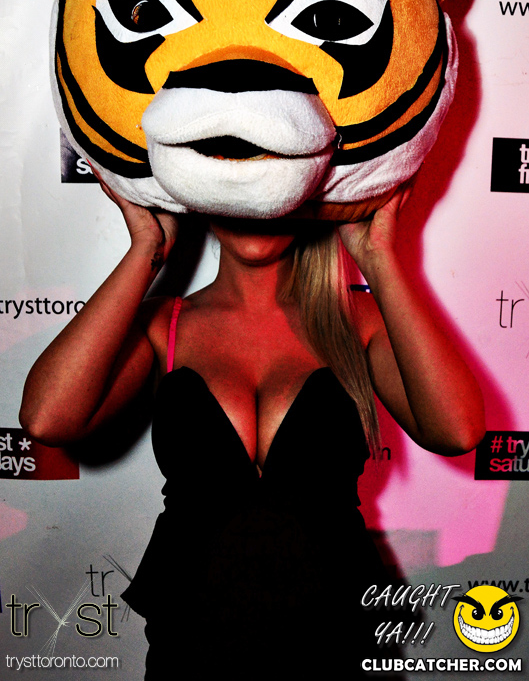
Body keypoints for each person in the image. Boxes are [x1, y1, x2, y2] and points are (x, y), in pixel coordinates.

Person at [19, 179, 485, 679]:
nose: (259, 210)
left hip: (337, 637)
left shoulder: (358, 320)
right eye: (239, 185)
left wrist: (379, 259)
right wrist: (145, 250)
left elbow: (457, 431)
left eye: (277, 187)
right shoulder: (165, 324)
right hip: (193, 643)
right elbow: (48, 418)